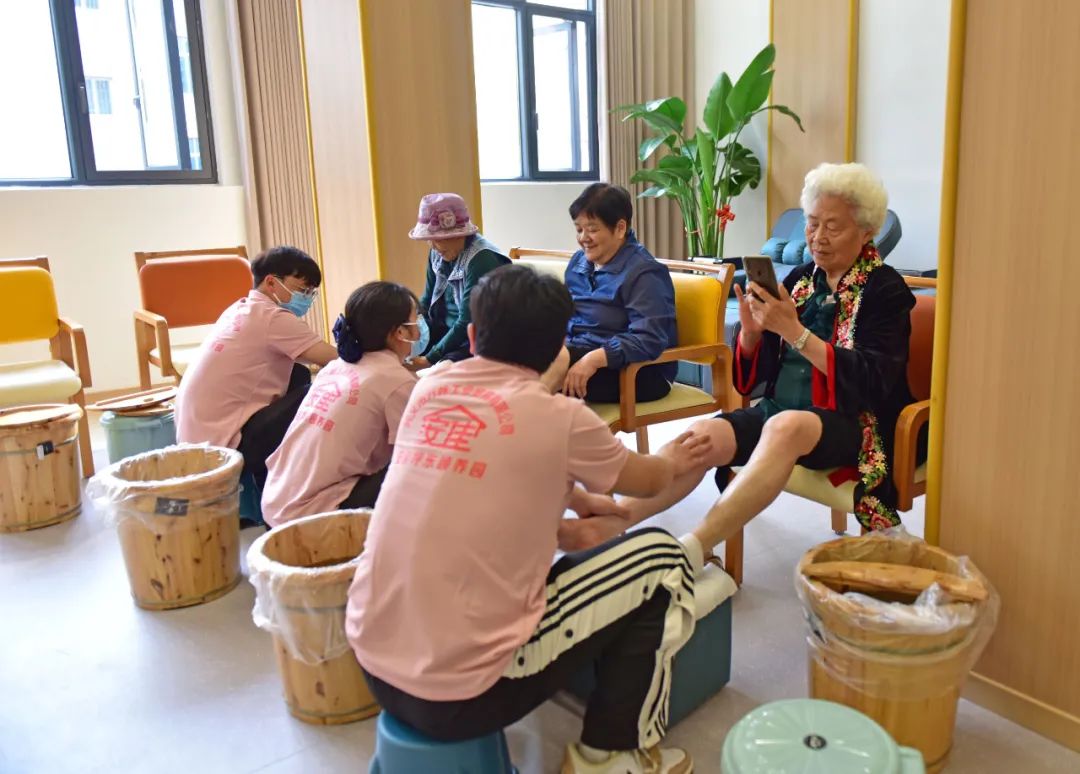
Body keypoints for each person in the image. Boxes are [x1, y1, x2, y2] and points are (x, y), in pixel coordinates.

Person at [346, 264, 712, 774]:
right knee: (661, 558)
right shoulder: (562, 419)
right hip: (461, 697)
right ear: (559, 348)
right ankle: (611, 756)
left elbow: (473, 479)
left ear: (472, 336)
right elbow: (650, 481)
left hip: (369, 660)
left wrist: (565, 503)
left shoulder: (431, 388)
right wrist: (676, 456)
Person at [560, 162, 918, 558]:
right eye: (812, 224)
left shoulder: (885, 290)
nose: (817, 238)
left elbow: (873, 382)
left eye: (832, 227)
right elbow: (754, 382)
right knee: (699, 438)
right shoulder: (801, 280)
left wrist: (794, 332)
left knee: (785, 426)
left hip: (856, 423)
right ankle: (609, 523)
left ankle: (691, 551)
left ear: (867, 231)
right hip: (783, 410)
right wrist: (750, 335)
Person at [175, 246, 337, 492]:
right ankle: (295, 481)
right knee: (319, 392)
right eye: (302, 290)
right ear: (271, 282)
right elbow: (335, 359)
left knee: (298, 374)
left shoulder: (239, 308)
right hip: (225, 449)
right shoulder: (273, 318)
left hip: (195, 438)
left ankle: (273, 475)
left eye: (310, 293)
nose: (306, 298)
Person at [260, 282, 421, 527]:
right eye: (415, 321)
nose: (419, 329)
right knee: (419, 466)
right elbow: (418, 451)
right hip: (313, 517)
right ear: (399, 332)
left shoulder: (336, 367)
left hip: (276, 502)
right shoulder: (396, 381)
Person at [562, 183, 678, 403]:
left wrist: (592, 359)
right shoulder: (578, 263)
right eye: (579, 229)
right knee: (519, 359)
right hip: (581, 354)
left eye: (592, 229)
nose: (583, 238)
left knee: (538, 373)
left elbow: (649, 338)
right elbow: (564, 316)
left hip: (639, 370)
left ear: (620, 228)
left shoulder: (644, 272)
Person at [406, 192, 509, 370]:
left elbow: (467, 321)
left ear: (458, 234)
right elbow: (427, 300)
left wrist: (429, 359)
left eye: (437, 239)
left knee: (438, 371)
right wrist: (410, 326)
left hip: (475, 338)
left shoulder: (481, 259)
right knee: (400, 351)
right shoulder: (437, 252)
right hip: (445, 330)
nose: (432, 246)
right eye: (429, 239)